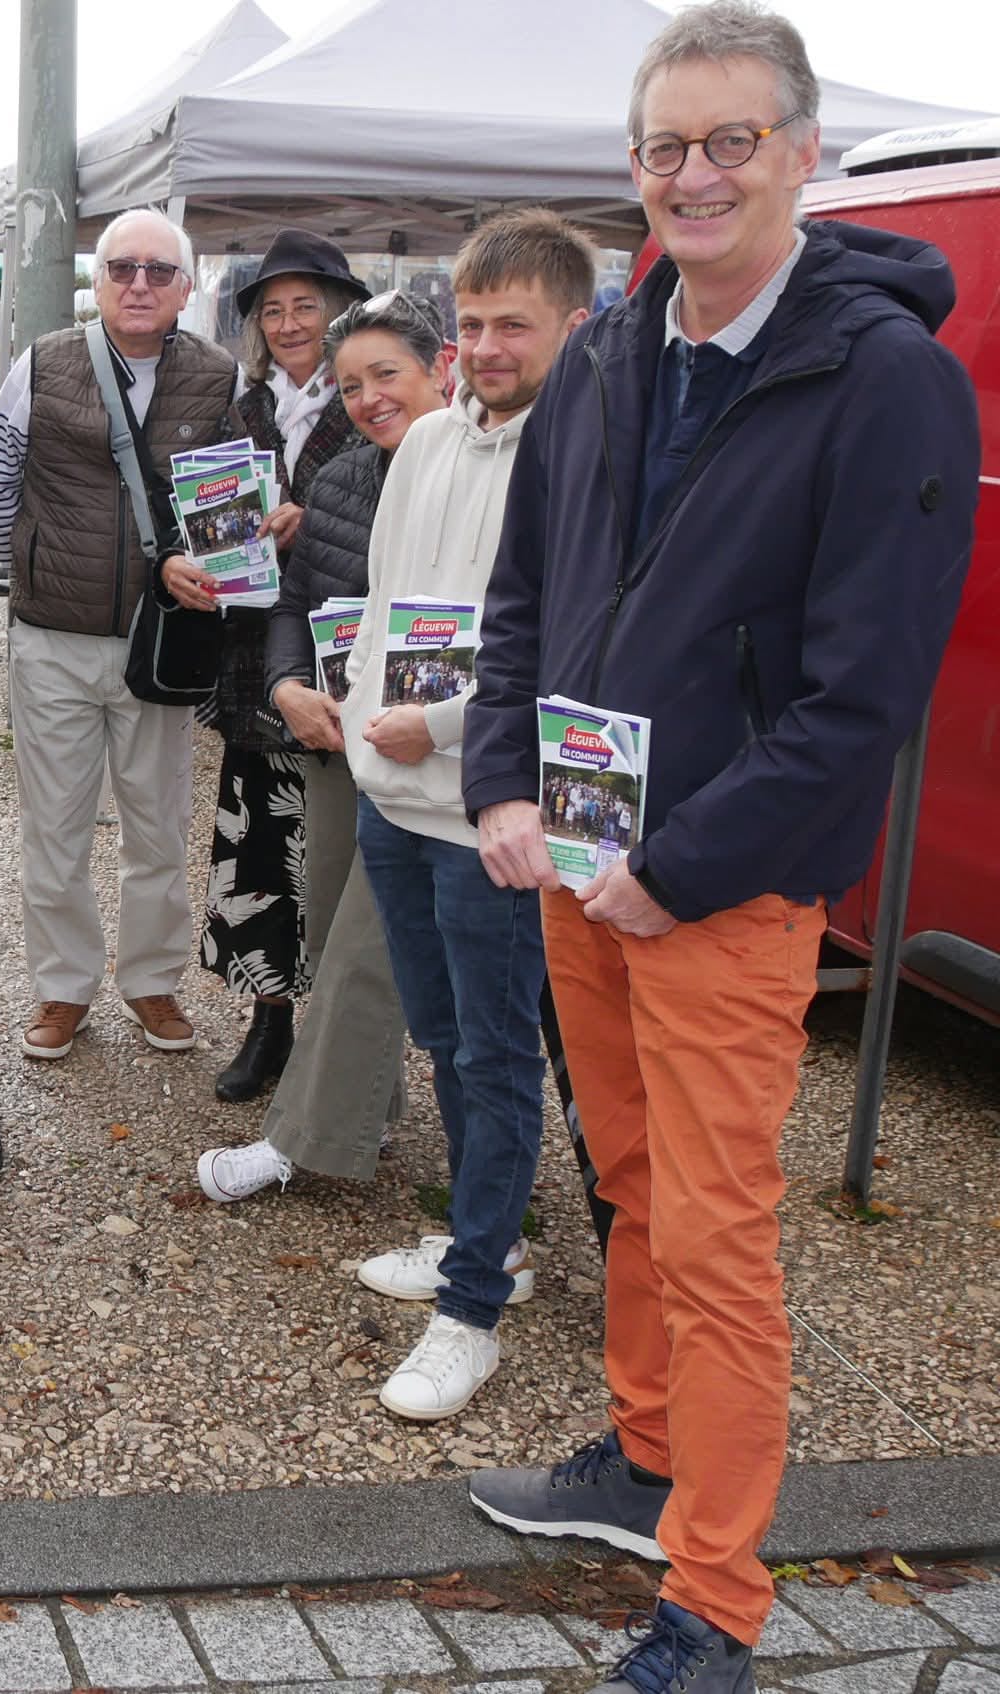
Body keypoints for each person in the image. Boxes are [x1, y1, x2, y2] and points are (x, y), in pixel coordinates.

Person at [462, 6, 978, 1689]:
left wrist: (675, 866)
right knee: (627, 1185)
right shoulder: (606, 352)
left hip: (723, 892)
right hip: (578, 857)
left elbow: (860, 696)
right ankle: (644, 1456)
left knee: (712, 1232)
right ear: (633, 165)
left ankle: (717, 1601)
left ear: (800, 154)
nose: (694, 174)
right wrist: (502, 784)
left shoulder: (884, 380)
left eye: (729, 141)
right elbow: (524, 594)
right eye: (665, 146)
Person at [341, 209, 596, 1422]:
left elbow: (559, 638)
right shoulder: (429, 438)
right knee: (444, 1038)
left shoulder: (582, 451)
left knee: (495, 1054)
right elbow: (384, 597)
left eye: (514, 325)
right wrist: (362, 720)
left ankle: (473, 1305)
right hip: (390, 794)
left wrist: (437, 728)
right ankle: (482, 1238)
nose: (487, 346)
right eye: (473, 322)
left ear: (571, 328)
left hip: (487, 809)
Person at [196, 288, 452, 1203]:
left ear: (440, 369)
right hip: (346, 744)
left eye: (387, 375)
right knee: (342, 922)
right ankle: (366, 1110)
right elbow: (296, 603)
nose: (369, 398)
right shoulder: (342, 480)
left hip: (448, 752)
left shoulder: (487, 472)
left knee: (363, 948)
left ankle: (303, 1136)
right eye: (350, 386)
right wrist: (285, 687)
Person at [0, 207, 237, 1062]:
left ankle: (152, 980)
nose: (139, 284)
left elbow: (232, 501)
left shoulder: (218, 376)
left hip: (161, 642)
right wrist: (36, 565)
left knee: (159, 825)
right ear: (98, 279)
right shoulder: (44, 362)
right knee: (55, 828)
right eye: (123, 267)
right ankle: (63, 987)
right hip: (54, 639)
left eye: (160, 271)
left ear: (186, 288)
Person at [200, 230, 369, 1103]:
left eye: (307, 305)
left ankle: (341, 1041)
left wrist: (315, 517)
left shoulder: (368, 398)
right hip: (251, 653)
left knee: (334, 858)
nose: (290, 322)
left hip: (339, 655)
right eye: (274, 310)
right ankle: (268, 1021)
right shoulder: (247, 408)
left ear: (338, 314)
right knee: (261, 848)